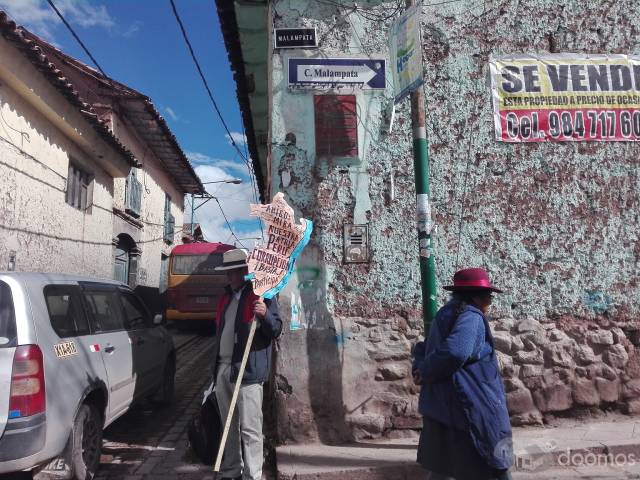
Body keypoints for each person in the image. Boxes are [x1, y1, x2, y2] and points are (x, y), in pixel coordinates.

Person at [412, 268, 513, 480]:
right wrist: (426, 371)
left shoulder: (446, 313)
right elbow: (456, 351)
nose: (490, 302)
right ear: (478, 296)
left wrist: (421, 369)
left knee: (444, 468)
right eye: (489, 297)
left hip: (443, 406)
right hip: (468, 404)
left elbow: (425, 347)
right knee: (492, 463)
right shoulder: (471, 317)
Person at [212, 248, 282, 480]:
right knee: (228, 425)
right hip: (224, 369)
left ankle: (253, 475)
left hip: (248, 371)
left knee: (251, 429)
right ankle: (232, 471)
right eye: (227, 272)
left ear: (244, 272)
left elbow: (276, 329)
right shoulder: (225, 298)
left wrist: (265, 315)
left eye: (233, 272)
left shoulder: (262, 295)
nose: (229, 277)